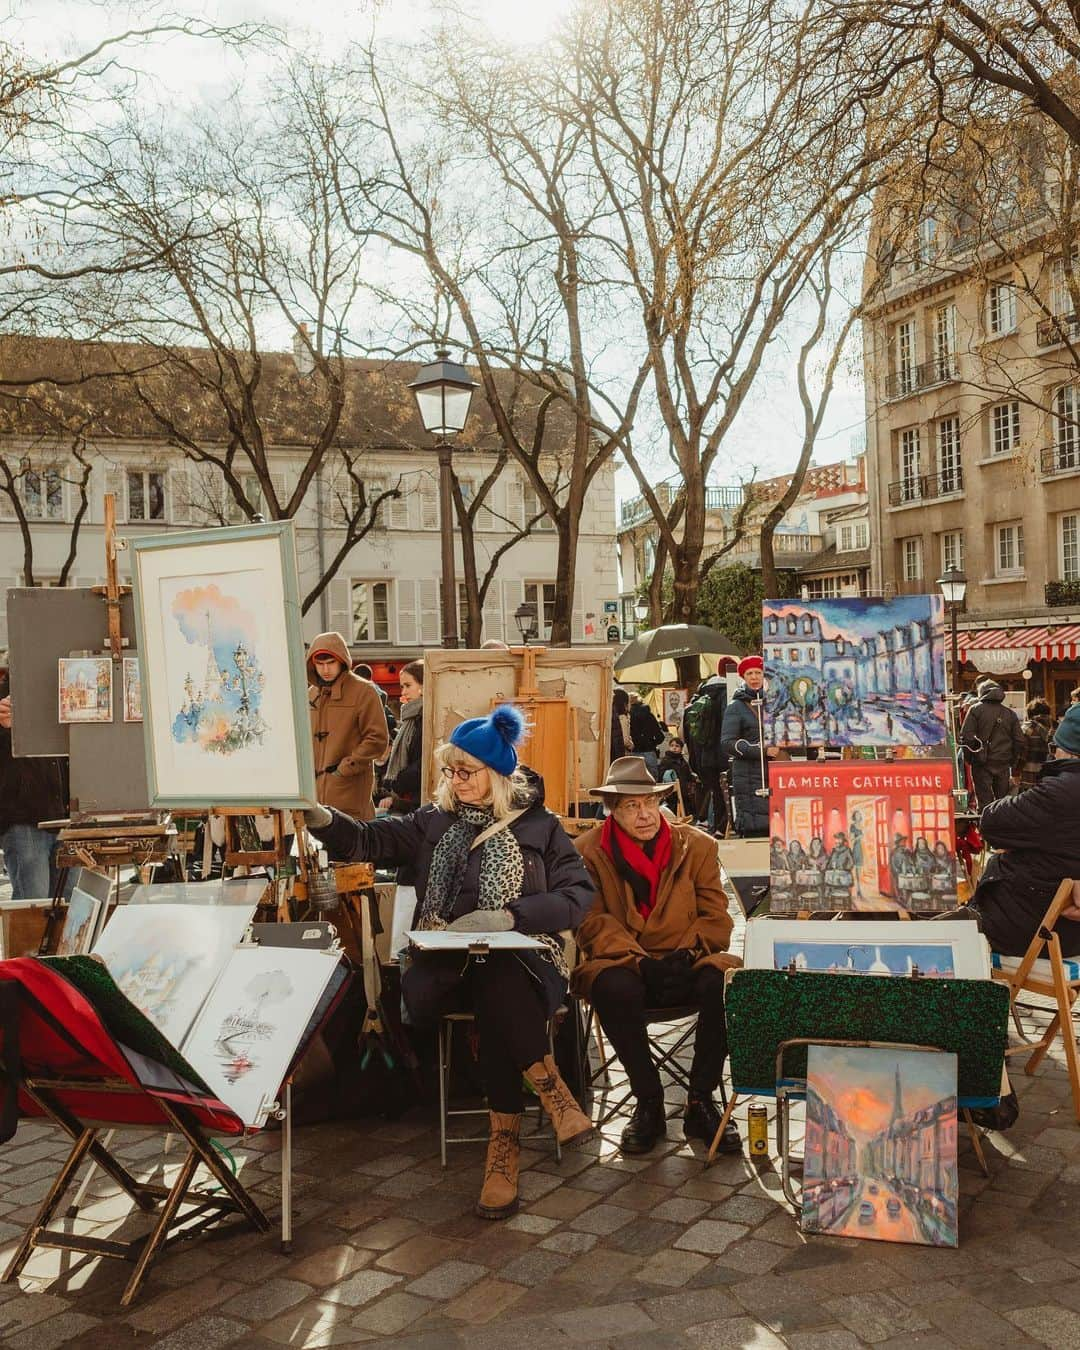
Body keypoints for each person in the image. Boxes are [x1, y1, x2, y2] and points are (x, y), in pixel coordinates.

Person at [303, 705, 594, 1219]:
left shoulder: (541, 827)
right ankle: (548, 1088)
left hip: (524, 963)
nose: (455, 781)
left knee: (498, 976)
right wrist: (321, 819)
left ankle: (502, 1148)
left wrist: (511, 917)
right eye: (451, 771)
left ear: (498, 774)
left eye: (467, 771)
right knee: (491, 981)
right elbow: (368, 841)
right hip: (443, 973)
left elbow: (577, 896)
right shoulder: (430, 823)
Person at [573, 757, 741, 1156]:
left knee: (724, 981)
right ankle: (647, 1100)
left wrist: (686, 953)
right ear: (612, 810)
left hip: (688, 957)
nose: (644, 814)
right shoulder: (587, 852)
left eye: (649, 802)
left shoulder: (698, 845)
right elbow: (590, 922)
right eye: (631, 806)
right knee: (613, 986)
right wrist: (641, 961)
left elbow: (717, 915)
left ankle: (701, 1099)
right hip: (624, 962)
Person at [957, 704, 1080, 956]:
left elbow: (991, 822)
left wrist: (1022, 839)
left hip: (1037, 931)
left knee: (949, 938)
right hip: (1056, 926)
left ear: (1067, 749)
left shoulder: (1062, 793)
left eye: (1055, 747)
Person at [307, 633, 389, 822]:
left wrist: (345, 767)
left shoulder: (364, 691)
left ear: (342, 661)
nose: (325, 669)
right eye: (320, 664)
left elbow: (377, 739)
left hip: (350, 790)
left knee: (354, 847)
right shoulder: (312, 694)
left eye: (330, 662)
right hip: (316, 795)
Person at [0, 681, 68, 899]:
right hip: (24, 820)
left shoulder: (59, 686)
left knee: (68, 907)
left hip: (66, 816)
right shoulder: (5, 694)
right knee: (32, 908)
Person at [720, 656, 773, 837]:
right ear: (743, 677)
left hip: (772, 771)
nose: (754, 677)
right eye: (749, 673)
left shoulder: (774, 704)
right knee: (755, 829)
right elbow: (727, 743)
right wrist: (762, 750)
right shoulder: (735, 707)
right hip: (748, 775)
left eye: (758, 672)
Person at [960, 678, 1024, 811]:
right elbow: (1019, 740)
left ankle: (985, 827)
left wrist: (970, 758)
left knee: (984, 801)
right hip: (1003, 761)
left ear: (981, 692)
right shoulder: (1009, 713)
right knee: (1002, 802)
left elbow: (966, 737)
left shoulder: (975, 710)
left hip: (981, 761)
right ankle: (1001, 829)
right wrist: (1012, 761)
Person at [682, 664, 729, 835]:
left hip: (705, 757)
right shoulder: (728, 694)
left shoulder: (699, 697)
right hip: (724, 755)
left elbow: (687, 734)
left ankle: (714, 825)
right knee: (726, 793)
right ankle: (722, 827)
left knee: (715, 792)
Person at [378, 661, 424, 816]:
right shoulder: (411, 717)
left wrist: (400, 781)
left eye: (408, 685)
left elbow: (424, 761)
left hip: (421, 798)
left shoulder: (424, 716)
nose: (403, 692)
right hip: (412, 798)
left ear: (423, 686)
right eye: (401, 687)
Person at [1019, 698, 1053, 791]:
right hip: (1050, 778)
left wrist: (1015, 773)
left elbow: (1021, 754)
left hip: (1029, 776)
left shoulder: (1027, 729)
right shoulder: (1055, 728)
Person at [628, 692, 666, 777]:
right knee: (652, 782)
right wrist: (651, 743)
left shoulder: (627, 716)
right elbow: (660, 737)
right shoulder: (649, 715)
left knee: (633, 783)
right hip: (649, 752)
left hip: (631, 753)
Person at [657, 736, 694, 814]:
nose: (674, 748)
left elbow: (687, 774)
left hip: (683, 789)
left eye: (677, 746)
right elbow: (661, 774)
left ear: (681, 748)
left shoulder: (683, 761)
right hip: (671, 790)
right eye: (672, 746)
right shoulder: (666, 760)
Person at [611, 688, 632, 762]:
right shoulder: (622, 717)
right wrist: (631, 745)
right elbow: (625, 740)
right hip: (619, 754)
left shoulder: (611, 714)